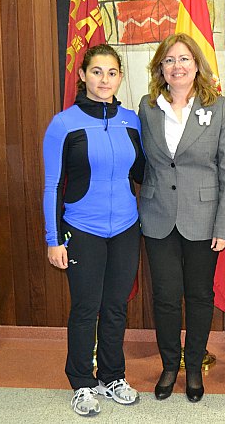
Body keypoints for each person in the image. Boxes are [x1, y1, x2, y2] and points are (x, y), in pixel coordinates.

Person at [42, 44, 144, 416]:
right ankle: (82, 382)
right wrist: (54, 239)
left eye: (112, 72)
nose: (105, 79)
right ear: (83, 75)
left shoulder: (132, 120)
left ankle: (112, 376)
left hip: (126, 228)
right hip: (82, 228)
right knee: (86, 308)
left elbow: (144, 173)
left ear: (120, 77)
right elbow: (52, 184)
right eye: (97, 71)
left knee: (116, 307)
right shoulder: (64, 124)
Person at [138, 33, 225, 403]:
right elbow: (140, 160)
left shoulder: (219, 106)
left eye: (183, 59)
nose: (176, 66)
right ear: (160, 68)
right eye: (169, 60)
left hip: (204, 218)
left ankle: (193, 366)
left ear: (197, 64)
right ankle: (169, 366)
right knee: (165, 296)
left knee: (199, 296)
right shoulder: (147, 107)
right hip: (157, 216)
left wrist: (224, 225)